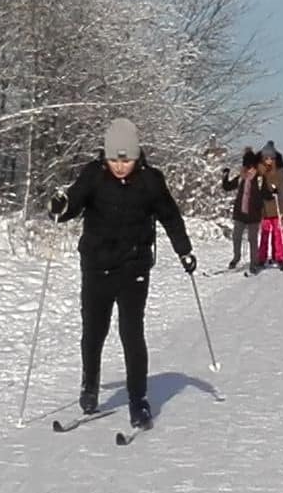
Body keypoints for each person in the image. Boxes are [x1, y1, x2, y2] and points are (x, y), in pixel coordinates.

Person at [49, 118, 196, 429]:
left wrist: (184, 250)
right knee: (93, 331)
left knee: (131, 333)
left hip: (133, 267)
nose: (119, 166)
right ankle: (89, 386)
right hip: (96, 265)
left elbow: (170, 216)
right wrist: (60, 206)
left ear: (136, 155)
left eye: (126, 160)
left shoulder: (151, 181)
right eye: (114, 160)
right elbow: (72, 204)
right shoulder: (94, 175)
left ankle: (138, 399)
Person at [220, 147, 262, 271]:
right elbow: (227, 187)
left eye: (249, 166)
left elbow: (266, 193)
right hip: (240, 213)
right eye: (245, 166)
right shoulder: (240, 178)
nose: (246, 168)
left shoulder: (259, 179)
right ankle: (236, 258)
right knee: (236, 237)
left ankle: (254, 263)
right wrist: (225, 176)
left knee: (252, 239)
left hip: (254, 214)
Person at [254, 140, 283, 271]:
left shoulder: (279, 171)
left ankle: (280, 257)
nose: (268, 160)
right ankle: (261, 257)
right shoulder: (260, 171)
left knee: (278, 234)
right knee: (264, 234)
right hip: (264, 208)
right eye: (266, 158)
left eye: (270, 158)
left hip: (276, 208)